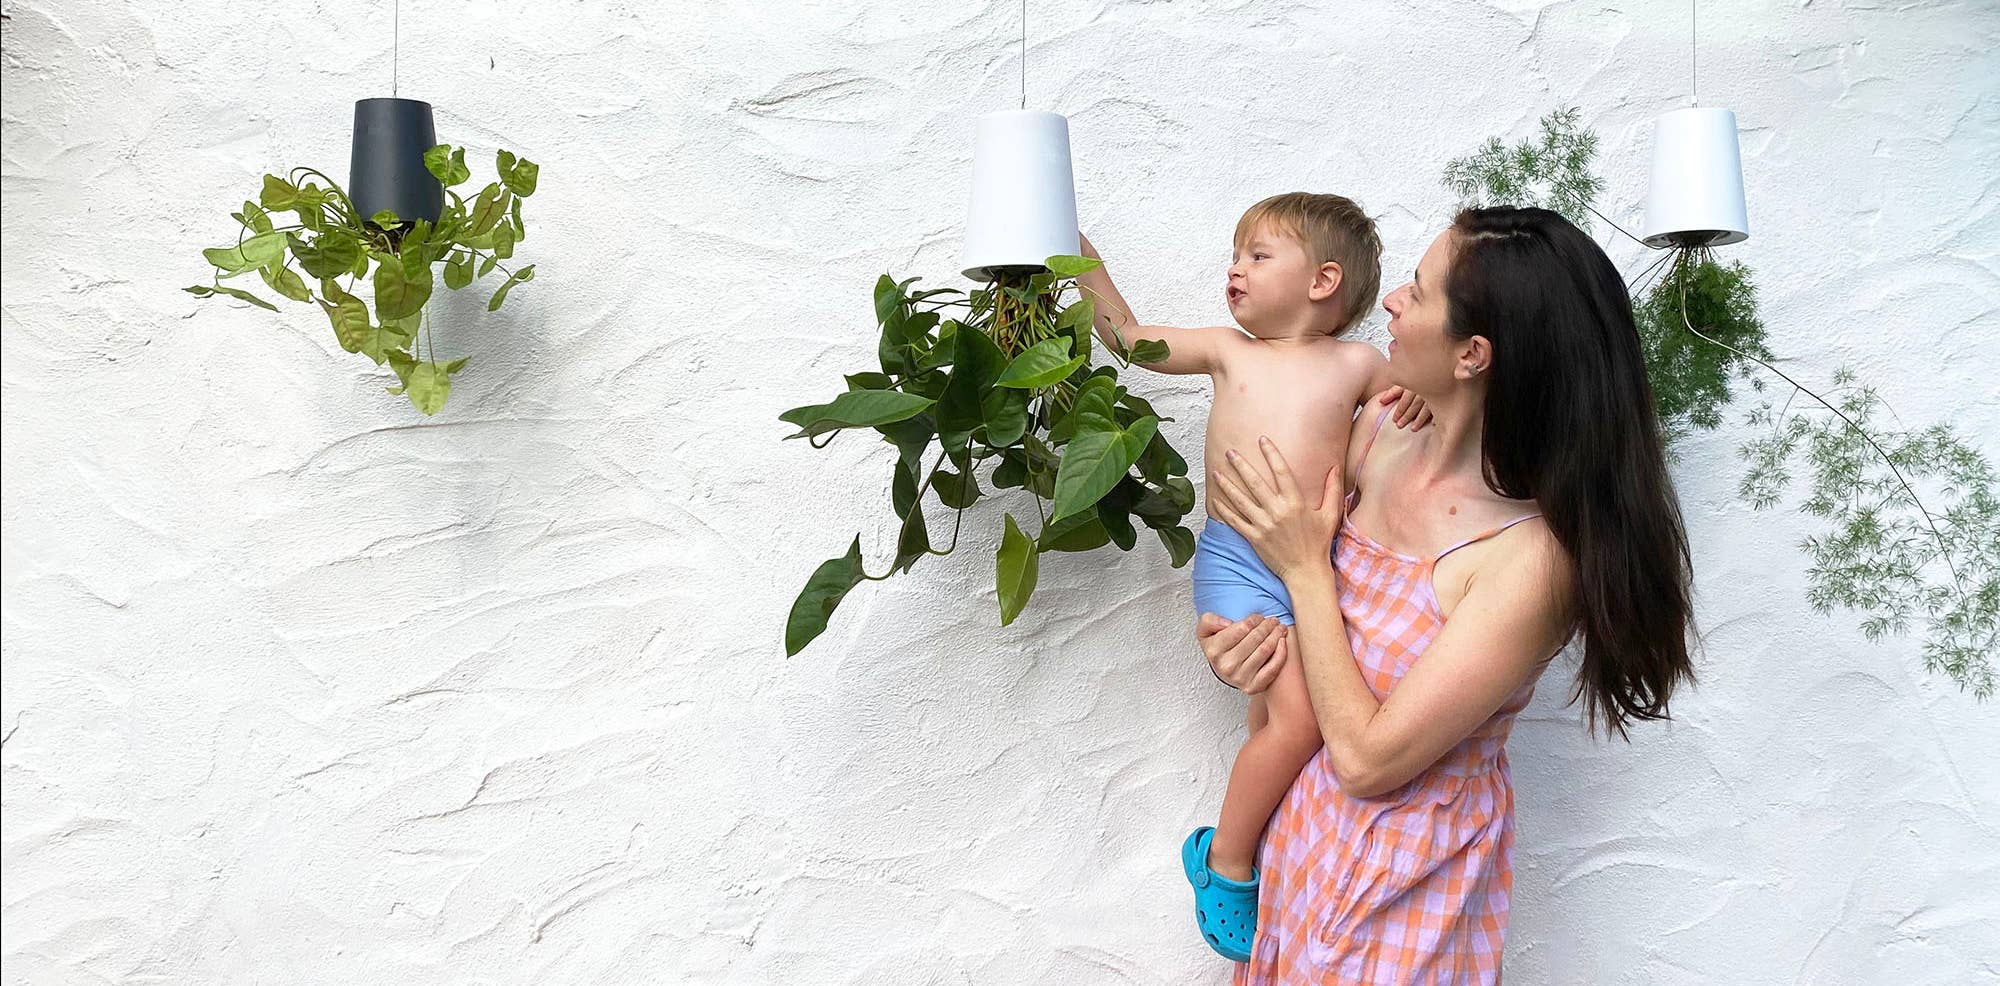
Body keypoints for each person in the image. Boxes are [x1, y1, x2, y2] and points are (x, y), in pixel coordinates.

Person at [1190, 206, 1697, 982]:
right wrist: (1250, 650)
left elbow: (1365, 758)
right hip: (1299, 855)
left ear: (1473, 355)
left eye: (1418, 292)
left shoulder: (1530, 559)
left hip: (1406, 891)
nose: (1390, 299)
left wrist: (1302, 571)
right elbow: (1321, 659)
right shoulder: (1377, 437)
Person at [1074, 192, 1431, 962]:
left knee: (1278, 723)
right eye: (1234, 255)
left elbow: (1416, 415)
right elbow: (1129, 339)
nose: (1235, 269)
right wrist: (1073, 249)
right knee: (1299, 723)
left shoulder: (1361, 365)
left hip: (1316, 568)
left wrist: (1420, 399)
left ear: (1323, 280)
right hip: (1239, 558)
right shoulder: (1230, 351)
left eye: (1258, 255)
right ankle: (1226, 862)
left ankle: (1259, 847)